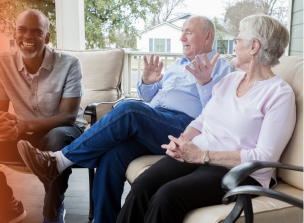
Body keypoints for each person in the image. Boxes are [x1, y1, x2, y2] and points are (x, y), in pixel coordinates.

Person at [16, 15, 233, 223]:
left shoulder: (220, 66)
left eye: (188, 32)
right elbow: (150, 98)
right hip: (157, 121)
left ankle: (59, 161)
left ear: (207, 37)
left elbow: (215, 113)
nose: (181, 37)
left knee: (130, 109)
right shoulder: (177, 65)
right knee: (112, 155)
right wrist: (148, 83)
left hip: (184, 128)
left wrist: (204, 83)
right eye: (182, 32)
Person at [116, 14, 297, 223]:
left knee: (167, 197)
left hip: (238, 171)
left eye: (238, 41)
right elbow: (203, 119)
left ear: (254, 47)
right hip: (199, 155)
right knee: (143, 185)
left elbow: (264, 158)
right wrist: (183, 141)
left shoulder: (279, 94)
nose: (234, 47)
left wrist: (202, 155)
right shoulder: (231, 80)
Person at [0, 9, 88, 223]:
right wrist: (0, 125)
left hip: (63, 132)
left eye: (36, 32)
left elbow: (68, 116)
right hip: (24, 137)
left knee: (56, 138)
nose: (28, 36)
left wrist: (22, 125)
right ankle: (4, 206)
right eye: (22, 30)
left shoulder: (69, 63)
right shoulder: (0, 64)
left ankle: (52, 212)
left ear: (47, 37)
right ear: (15, 33)